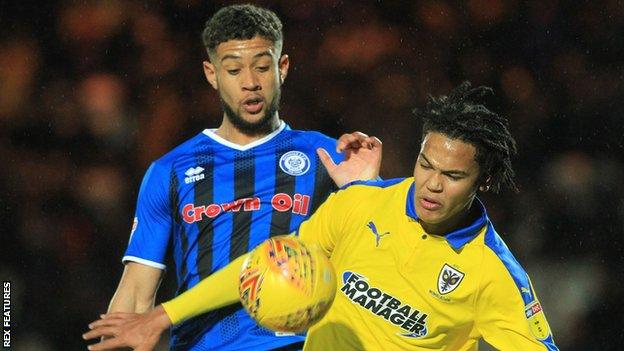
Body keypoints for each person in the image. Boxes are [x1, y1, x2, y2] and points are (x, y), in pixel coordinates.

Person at [84, 82, 558, 350]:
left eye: (452, 176)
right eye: (425, 165)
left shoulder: (494, 276)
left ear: (485, 182)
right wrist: (161, 316)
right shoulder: (362, 202)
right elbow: (268, 262)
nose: (432, 184)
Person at [101, 4, 382, 351]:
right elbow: (135, 292)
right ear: (211, 73)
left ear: (283, 68)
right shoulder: (170, 171)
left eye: (262, 67)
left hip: (298, 343)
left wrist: (366, 189)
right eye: (233, 70)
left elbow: (378, 263)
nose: (250, 83)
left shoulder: (327, 157)